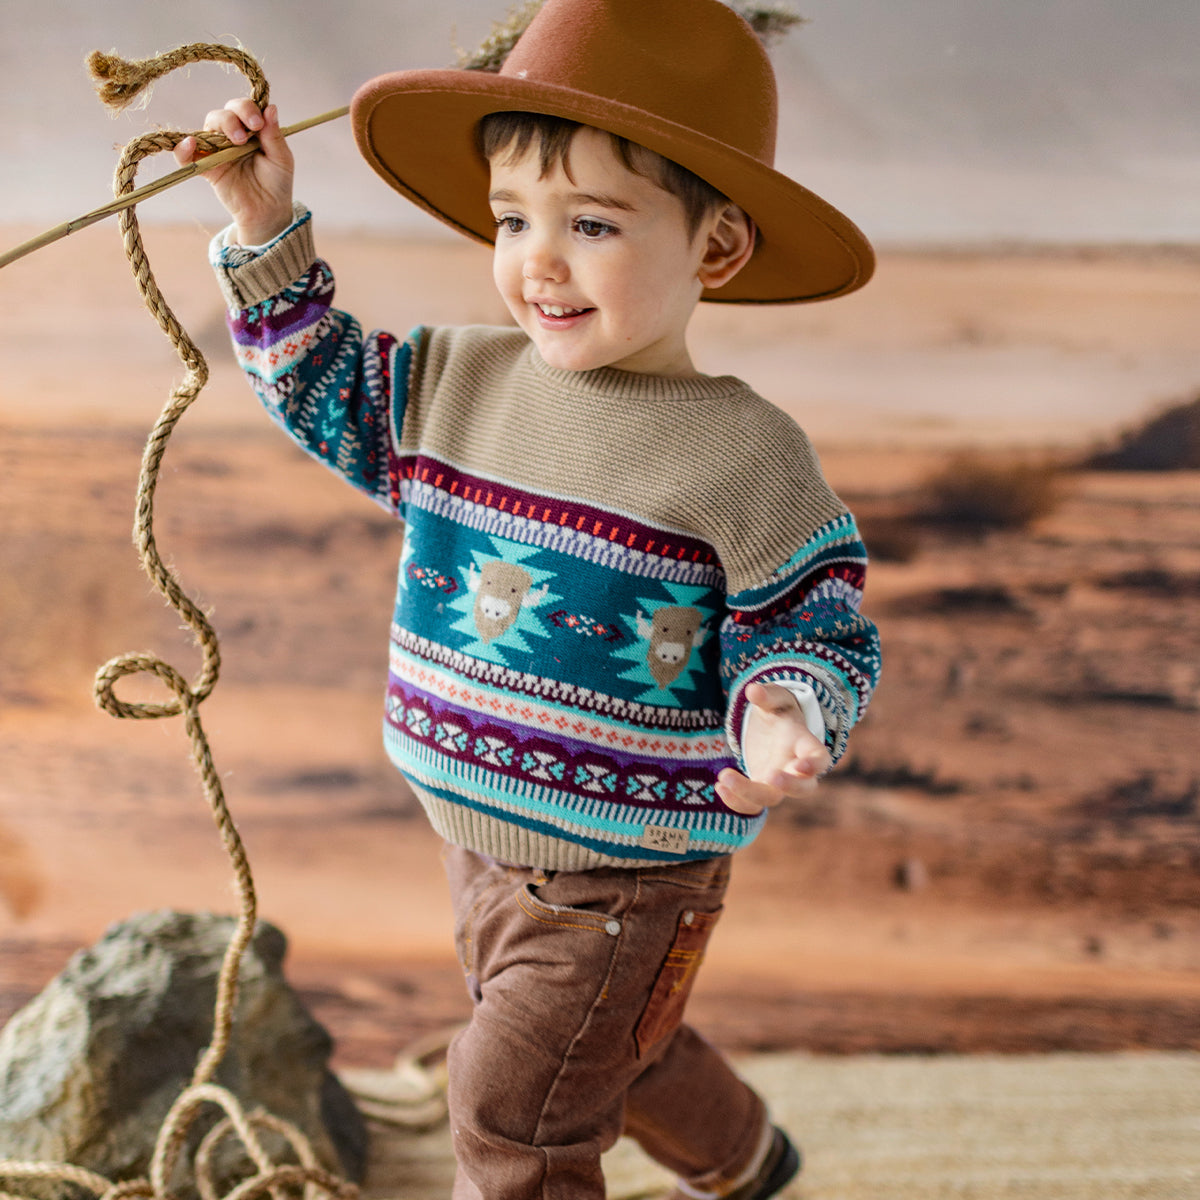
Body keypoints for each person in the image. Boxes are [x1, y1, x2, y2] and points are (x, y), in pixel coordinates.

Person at [177, 1, 881, 1196]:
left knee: (511, 1106)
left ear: (715, 248)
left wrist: (785, 710)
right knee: (615, 1053)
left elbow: (809, 619)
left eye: (591, 223)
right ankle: (751, 1160)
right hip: (477, 848)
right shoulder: (460, 380)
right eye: (513, 220)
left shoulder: (743, 452)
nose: (536, 261)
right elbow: (324, 387)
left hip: (626, 873)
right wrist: (261, 223)